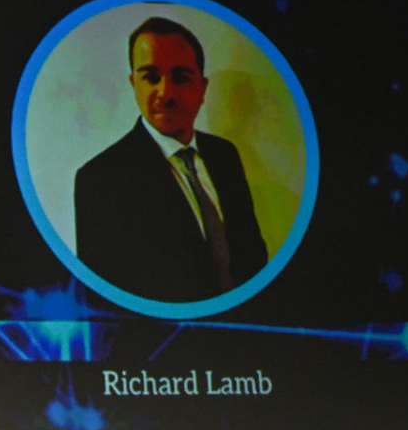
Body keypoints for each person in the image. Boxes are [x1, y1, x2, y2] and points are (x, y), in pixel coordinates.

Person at [73, 16, 269, 302]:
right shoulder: (100, 178)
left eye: (180, 77)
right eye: (151, 77)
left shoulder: (225, 155)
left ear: (202, 88)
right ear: (134, 84)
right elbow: (105, 299)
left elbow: (253, 255)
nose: (165, 93)